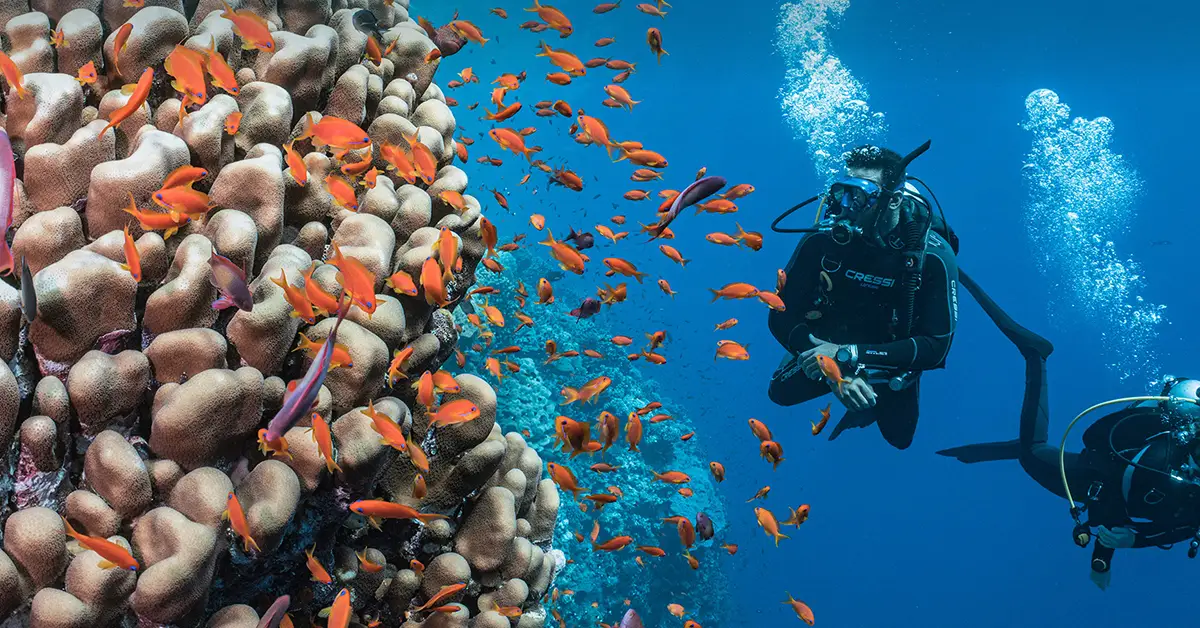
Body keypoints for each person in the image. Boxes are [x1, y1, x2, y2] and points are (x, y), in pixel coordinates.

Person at [937, 271, 1200, 589]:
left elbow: (1183, 529)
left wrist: (1131, 542)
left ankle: (1017, 444)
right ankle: (1035, 355)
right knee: (1031, 451)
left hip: (1113, 484)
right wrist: (1104, 557)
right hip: (1098, 474)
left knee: (1033, 451)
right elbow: (1113, 485)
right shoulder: (1171, 451)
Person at [768, 143, 959, 449]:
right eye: (843, 192)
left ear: (893, 199)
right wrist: (835, 373)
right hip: (831, 339)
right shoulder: (823, 239)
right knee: (780, 392)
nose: (846, 206)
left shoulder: (932, 255)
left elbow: (936, 347)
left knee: (899, 438)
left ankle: (880, 381)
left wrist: (849, 357)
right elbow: (780, 312)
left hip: (889, 348)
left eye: (858, 195)